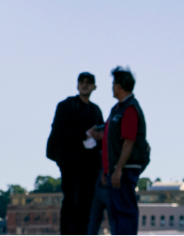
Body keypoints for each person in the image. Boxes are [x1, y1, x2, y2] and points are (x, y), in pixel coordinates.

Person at [88, 66, 148, 236]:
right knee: (116, 212)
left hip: (125, 171)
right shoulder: (117, 109)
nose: (112, 87)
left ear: (120, 86)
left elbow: (129, 141)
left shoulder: (129, 109)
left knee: (125, 211)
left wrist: (119, 169)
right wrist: (107, 170)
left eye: (114, 83)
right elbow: (109, 138)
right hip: (114, 172)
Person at [45, 72, 103, 234]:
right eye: (82, 82)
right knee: (71, 203)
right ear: (77, 84)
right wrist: (83, 135)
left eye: (88, 82)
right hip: (70, 164)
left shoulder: (95, 110)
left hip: (89, 166)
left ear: (94, 87)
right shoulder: (66, 106)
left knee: (86, 206)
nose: (84, 85)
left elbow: (101, 136)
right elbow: (59, 132)